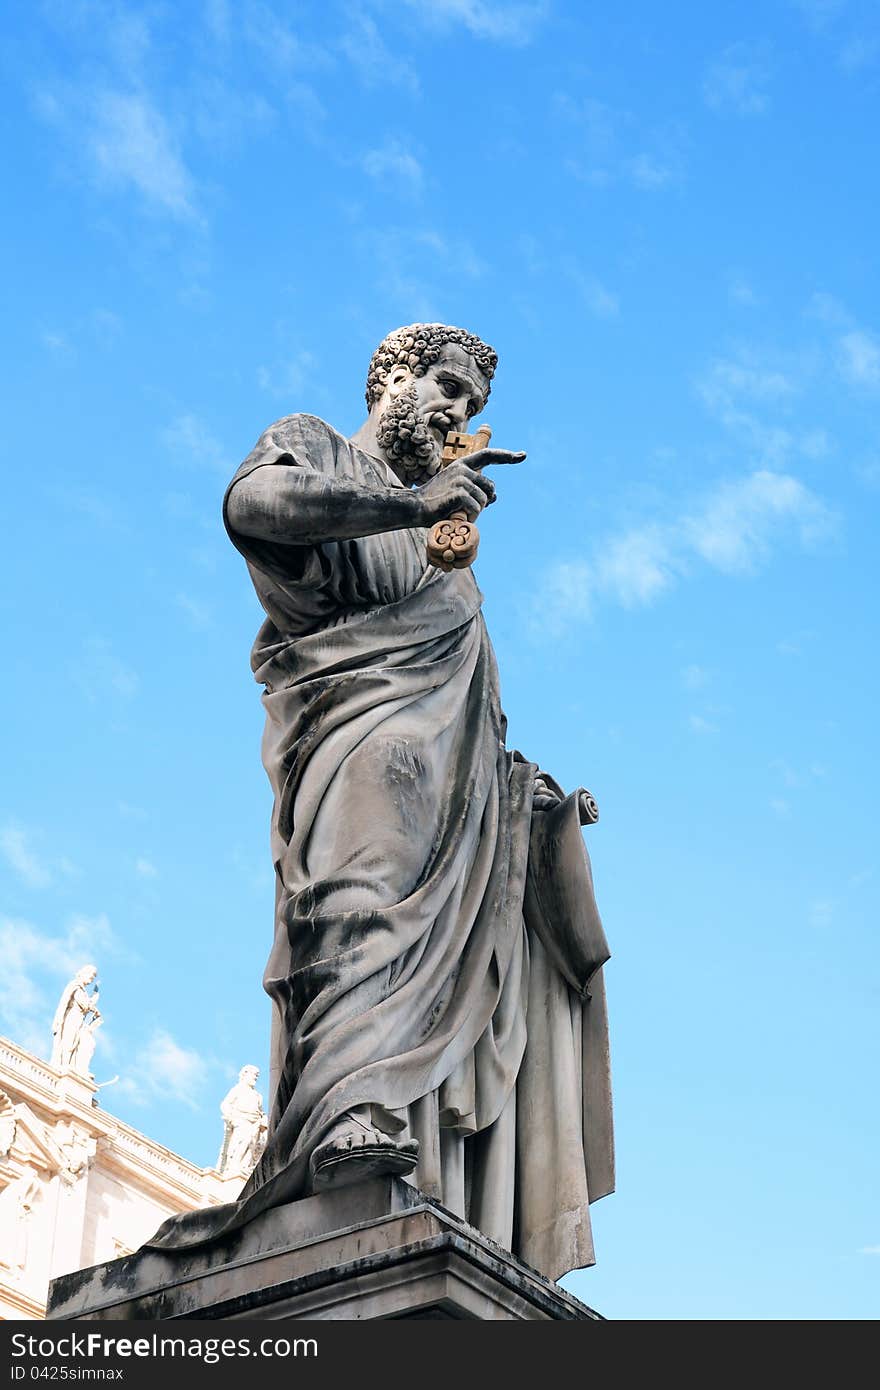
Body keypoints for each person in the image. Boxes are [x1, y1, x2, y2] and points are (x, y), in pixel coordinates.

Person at [151, 323, 613, 1281]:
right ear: (394, 378)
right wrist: (406, 503)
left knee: (435, 965)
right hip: (352, 747)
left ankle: (411, 1156)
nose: (459, 414)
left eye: (473, 407)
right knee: (353, 919)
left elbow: (472, 723)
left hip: (449, 796)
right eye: (446, 388)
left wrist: (532, 804)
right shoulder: (315, 447)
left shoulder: (455, 573)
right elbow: (252, 505)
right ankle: (341, 1119)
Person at [217, 1066, 269, 1177]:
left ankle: (244, 1168)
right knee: (242, 1142)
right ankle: (234, 1167)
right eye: (254, 1074)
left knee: (251, 1145)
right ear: (245, 1074)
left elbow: (260, 1111)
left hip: (255, 1123)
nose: (255, 1077)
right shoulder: (238, 1089)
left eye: (257, 1075)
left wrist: (264, 1119)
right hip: (241, 1119)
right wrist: (230, 1117)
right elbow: (225, 1104)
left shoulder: (258, 1095)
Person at [50, 965, 101, 1076]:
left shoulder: (83, 992)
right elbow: (64, 1002)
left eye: (93, 978)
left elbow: (87, 1005)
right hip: (71, 1018)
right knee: (68, 1042)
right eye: (91, 976)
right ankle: (63, 1066)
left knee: (80, 1042)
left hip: (79, 1020)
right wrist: (58, 1020)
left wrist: (94, 1002)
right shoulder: (74, 985)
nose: (91, 979)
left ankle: (73, 1067)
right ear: (84, 973)